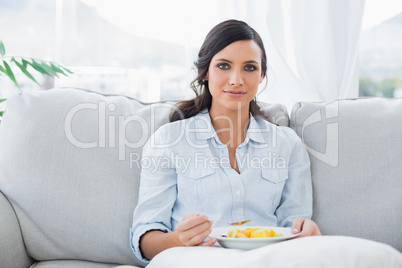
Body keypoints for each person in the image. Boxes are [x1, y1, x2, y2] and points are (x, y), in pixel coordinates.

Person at [130, 19, 321, 264]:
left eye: (249, 68)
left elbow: (292, 227)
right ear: (206, 72)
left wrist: (306, 234)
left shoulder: (287, 145)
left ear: (262, 75)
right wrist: (178, 239)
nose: (236, 79)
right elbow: (145, 239)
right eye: (223, 65)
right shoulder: (169, 141)